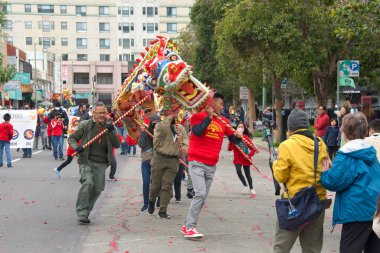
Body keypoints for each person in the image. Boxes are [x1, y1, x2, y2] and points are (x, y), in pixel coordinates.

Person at [182, 93, 243, 238]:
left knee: (202, 197)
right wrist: (209, 117)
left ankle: (187, 225)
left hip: (211, 165)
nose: (223, 107)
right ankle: (190, 227)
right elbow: (197, 132)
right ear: (212, 104)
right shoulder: (197, 116)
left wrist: (240, 135)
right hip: (197, 162)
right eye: (220, 104)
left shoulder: (223, 121)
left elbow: (233, 139)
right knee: (200, 193)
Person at [321, 112, 380, 253]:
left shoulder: (346, 154)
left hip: (355, 211)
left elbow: (333, 181)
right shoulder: (370, 153)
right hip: (373, 209)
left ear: (345, 132)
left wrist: (325, 172)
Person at [273, 108, 329, 253]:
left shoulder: (287, 145)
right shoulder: (320, 144)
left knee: (281, 247)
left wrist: (275, 165)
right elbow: (326, 167)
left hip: (294, 204)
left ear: (290, 128)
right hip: (317, 203)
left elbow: (281, 176)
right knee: (312, 249)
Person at [68, 102, 120, 224]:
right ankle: (82, 212)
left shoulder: (109, 126)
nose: (102, 115)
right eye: (100, 113)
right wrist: (77, 147)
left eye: (104, 113)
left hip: (101, 163)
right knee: (88, 183)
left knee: (98, 188)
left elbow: (117, 144)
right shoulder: (85, 125)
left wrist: (112, 131)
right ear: (94, 113)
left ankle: (87, 209)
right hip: (86, 160)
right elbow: (72, 138)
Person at [148, 110, 188, 219]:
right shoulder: (161, 125)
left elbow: (185, 140)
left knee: (167, 185)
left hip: (173, 160)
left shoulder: (180, 129)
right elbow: (160, 133)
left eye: (176, 113)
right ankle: (151, 200)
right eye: (173, 112)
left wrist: (185, 148)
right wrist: (169, 118)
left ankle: (162, 210)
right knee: (155, 186)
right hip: (159, 158)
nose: (175, 115)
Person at [228, 122, 258, 198]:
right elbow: (229, 149)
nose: (240, 128)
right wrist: (231, 141)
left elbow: (253, 149)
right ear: (236, 128)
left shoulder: (245, 138)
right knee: (238, 171)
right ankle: (245, 185)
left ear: (244, 129)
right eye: (239, 126)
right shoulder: (233, 138)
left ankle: (251, 188)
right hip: (237, 158)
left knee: (247, 174)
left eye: (242, 127)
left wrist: (249, 155)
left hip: (245, 158)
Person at [138, 114, 160, 211]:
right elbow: (141, 144)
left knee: (155, 183)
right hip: (146, 160)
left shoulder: (161, 132)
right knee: (146, 182)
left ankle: (157, 200)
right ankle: (146, 203)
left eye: (157, 122)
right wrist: (143, 133)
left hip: (158, 161)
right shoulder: (146, 131)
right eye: (153, 122)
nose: (155, 124)